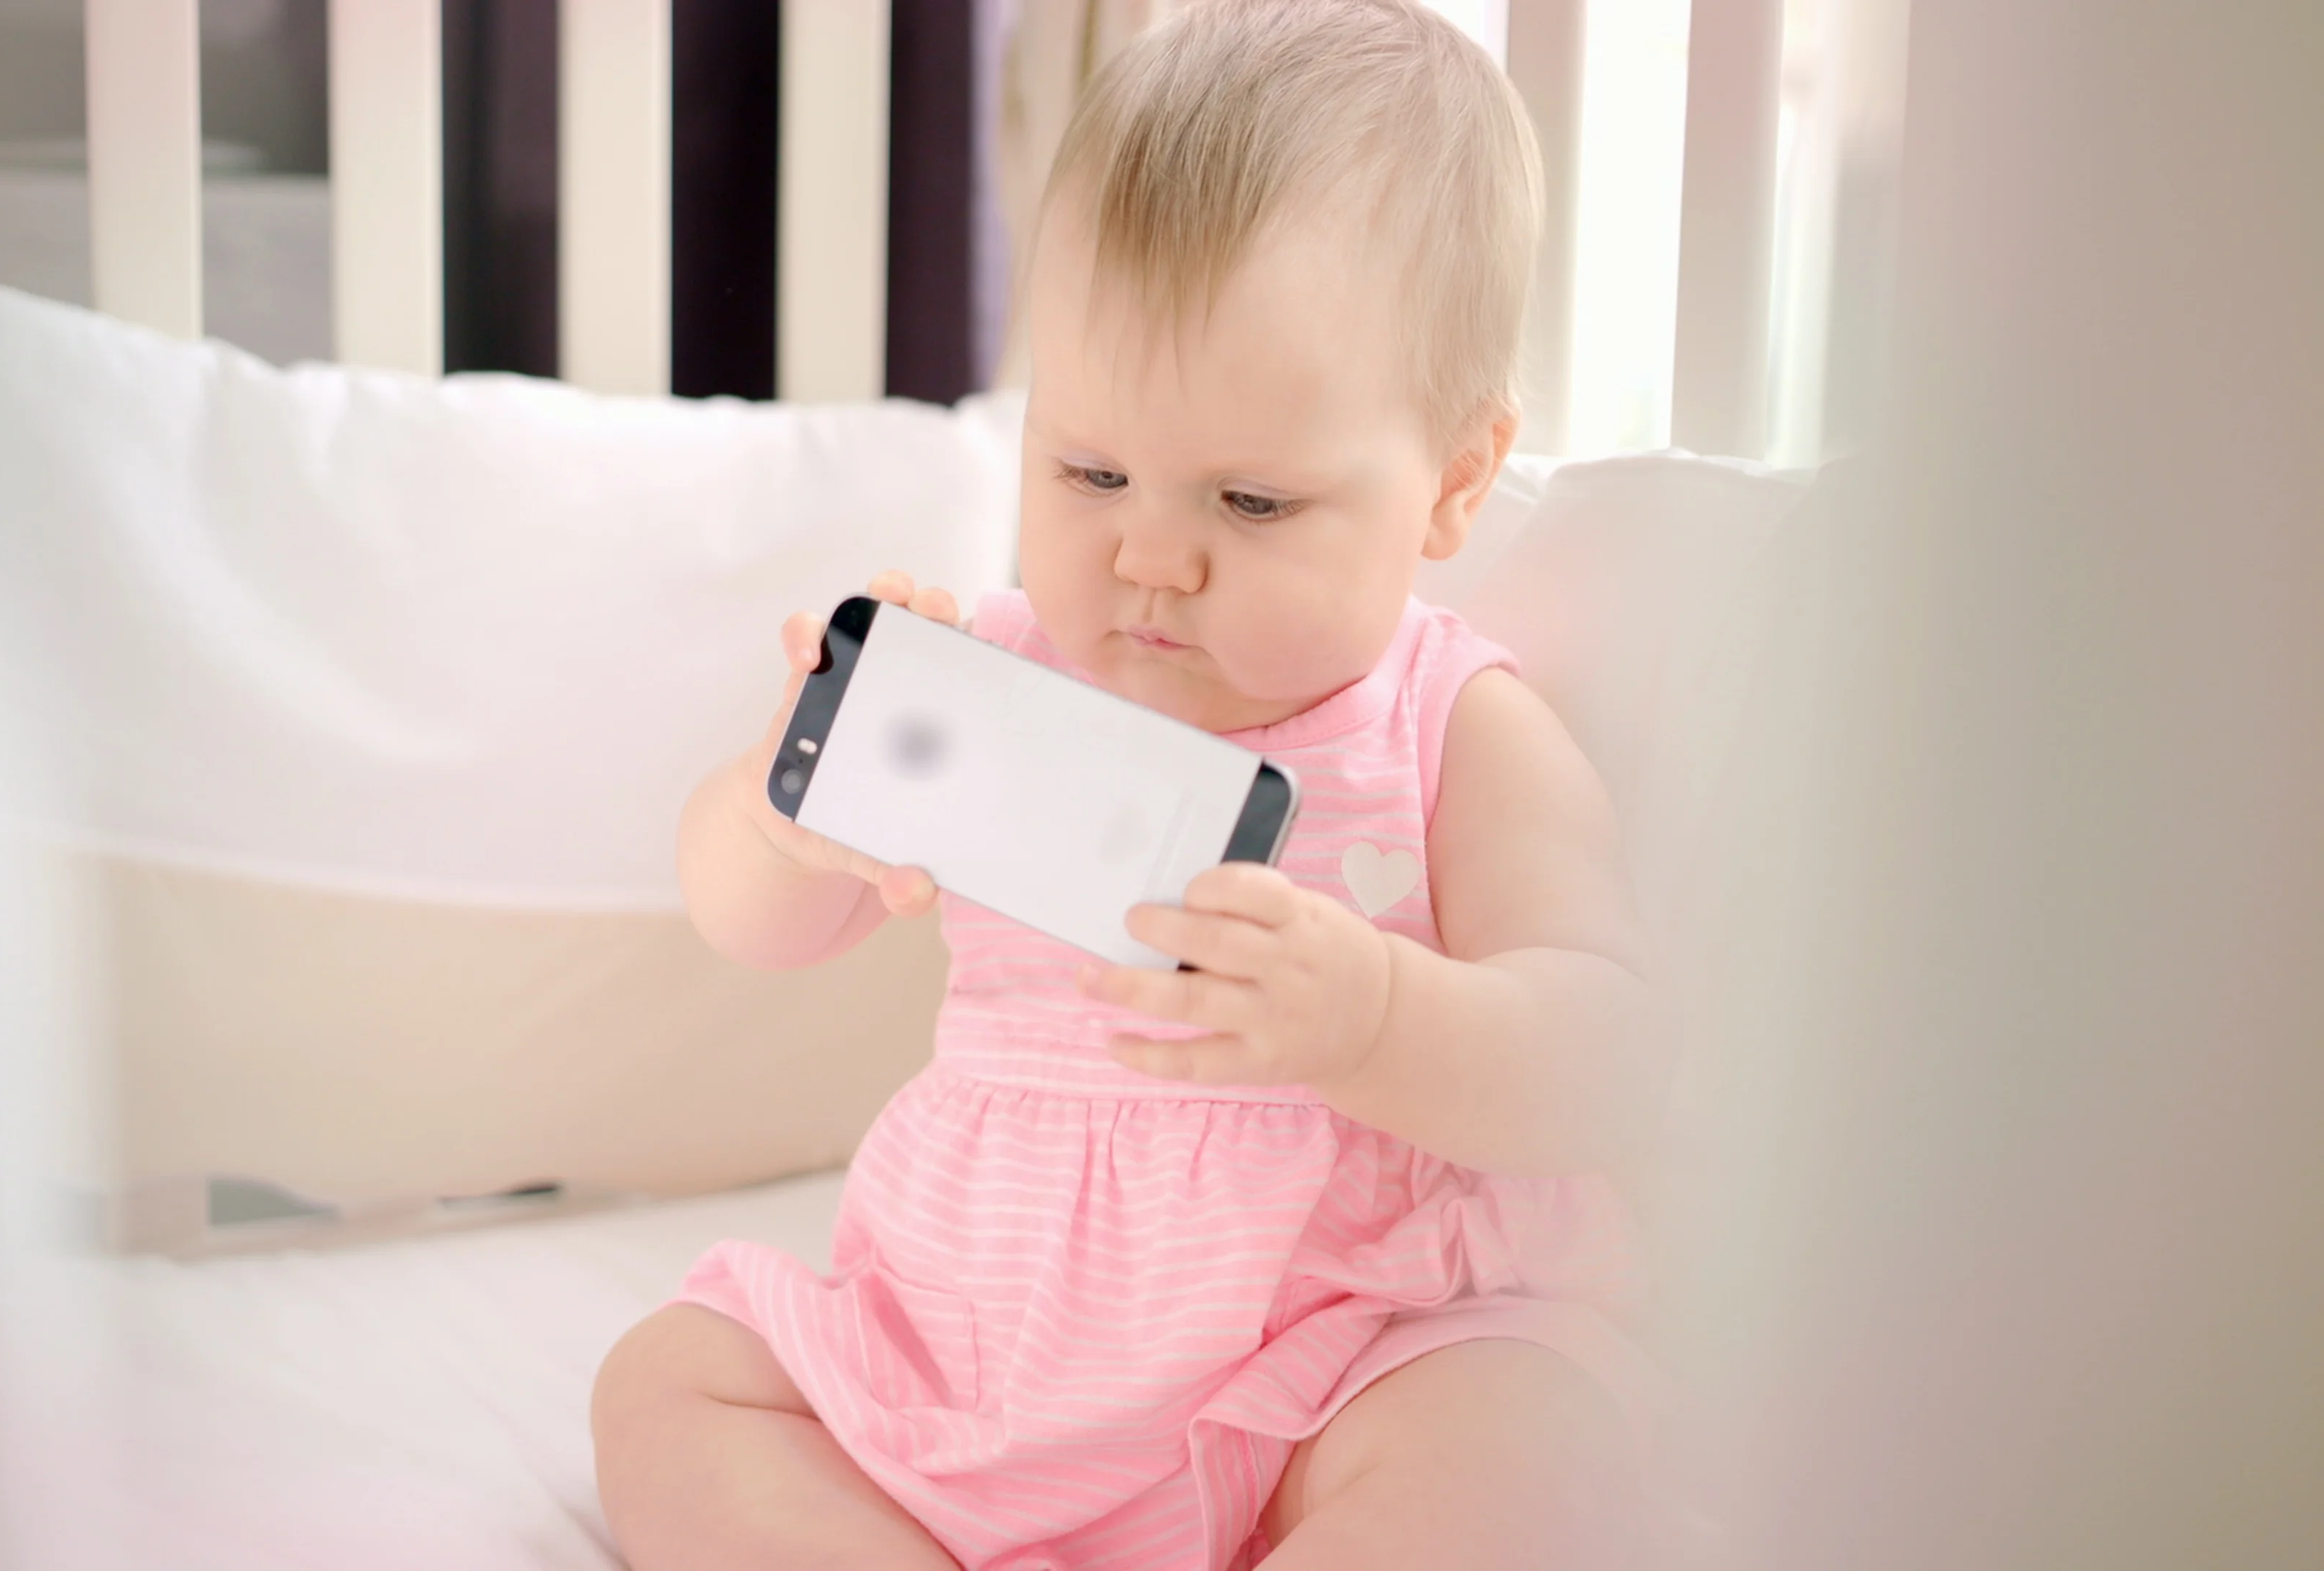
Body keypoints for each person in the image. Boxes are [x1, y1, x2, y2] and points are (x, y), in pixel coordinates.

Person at [594, 3, 1665, 1564]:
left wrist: (1371, 1017)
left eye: (1250, 498)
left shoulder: (1451, 724)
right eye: (1090, 472)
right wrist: (781, 809)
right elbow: (741, 918)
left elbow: (1613, 1053)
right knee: (671, 1386)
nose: (1149, 556)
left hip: (1331, 1358)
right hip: (976, 1358)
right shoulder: (1003, 679)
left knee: (1516, 1439)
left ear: (1452, 483)